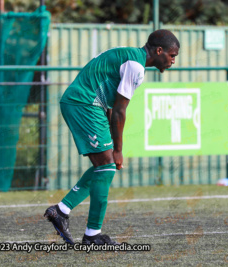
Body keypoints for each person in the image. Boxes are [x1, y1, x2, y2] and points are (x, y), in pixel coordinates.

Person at [44, 29, 180, 245]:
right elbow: (119, 111)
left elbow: (111, 104)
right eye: (172, 56)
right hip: (83, 103)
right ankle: (91, 235)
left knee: (103, 168)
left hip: (87, 104)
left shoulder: (130, 56)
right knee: (107, 165)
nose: (173, 61)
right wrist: (118, 150)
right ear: (159, 50)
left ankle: (62, 211)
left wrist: (112, 143)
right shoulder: (135, 66)